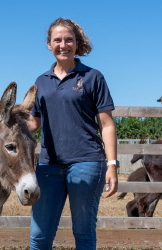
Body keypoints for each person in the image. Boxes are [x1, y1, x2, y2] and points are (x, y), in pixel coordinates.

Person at [27, 18, 118, 250]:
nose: (63, 45)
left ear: (77, 44)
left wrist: (112, 165)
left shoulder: (92, 77)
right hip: (48, 167)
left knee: (83, 233)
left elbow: (106, 125)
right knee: (39, 237)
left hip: (87, 163)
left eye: (69, 40)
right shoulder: (41, 82)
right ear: (49, 44)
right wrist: (2, 131)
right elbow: (33, 123)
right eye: (57, 40)